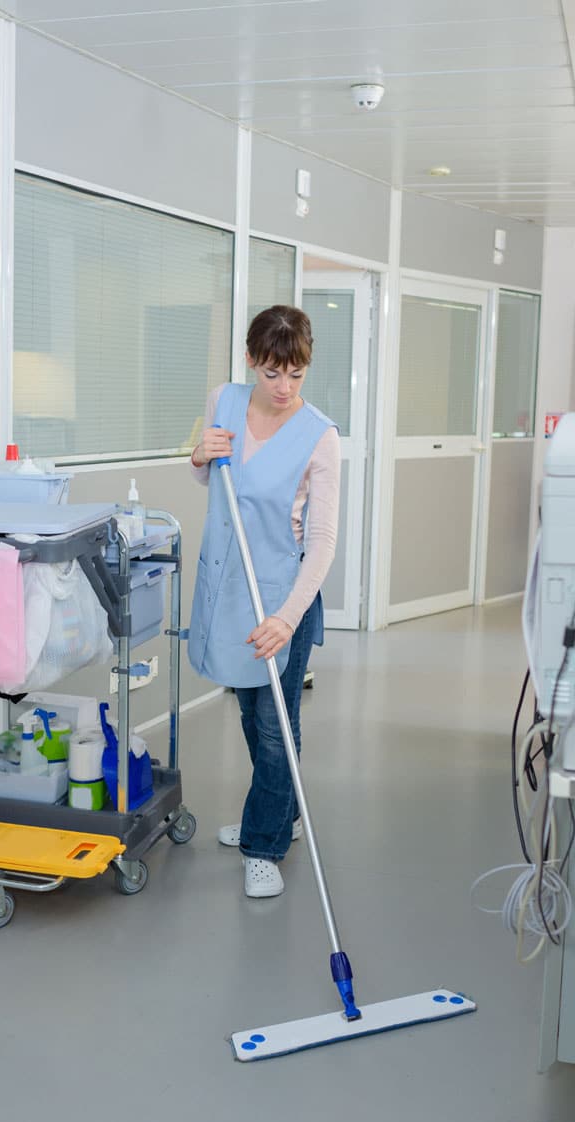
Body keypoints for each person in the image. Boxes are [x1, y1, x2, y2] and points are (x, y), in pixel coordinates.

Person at [188, 305, 341, 898]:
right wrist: (199, 456)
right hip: (228, 587)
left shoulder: (320, 436)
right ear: (252, 359)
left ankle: (265, 844)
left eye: (296, 375)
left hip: (283, 597)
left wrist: (286, 617)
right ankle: (281, 810)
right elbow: (211, 479)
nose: (284, 389)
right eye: (274, 373)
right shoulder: (224, 400)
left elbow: (323, 540)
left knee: (276, 723)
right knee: (249, 713)